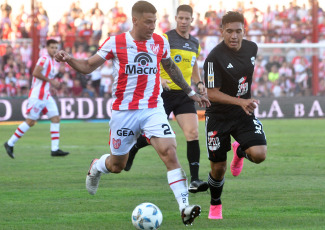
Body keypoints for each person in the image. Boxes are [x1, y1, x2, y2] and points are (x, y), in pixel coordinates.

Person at [54, 1, 210, 226]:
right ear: (134, 20)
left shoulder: (159, 41)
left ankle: (184, 207)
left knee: (169, 151)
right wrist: (69, 59)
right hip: (124, 112)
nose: (152, 26)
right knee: (117, 166)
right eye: (148, 22)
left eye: (154, 22)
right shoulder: (116, 42)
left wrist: (190, 91)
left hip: (152, 108)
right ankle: (97, 166)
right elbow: (88, 66)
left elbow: (171, 67)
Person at [124, 4, 208, 194]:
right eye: (181, 18)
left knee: (192, 133)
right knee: (153, 134)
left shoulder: (195, 43)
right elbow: (152, 60)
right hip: (163, 93)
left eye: (187, 19)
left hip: (185, 94)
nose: (184, 22)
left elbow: (194, 69)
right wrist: (160, 78)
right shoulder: (165, 38)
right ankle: (135, 148)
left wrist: (200, 84)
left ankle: (194, 180)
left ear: (192, 20)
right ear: (176, 19)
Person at [203, 11, 267, 220]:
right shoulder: (213, 58)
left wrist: (243, 100)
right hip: (218, 117)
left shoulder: (252, 48)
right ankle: (215, 204)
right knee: (218, 168)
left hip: (242, 113)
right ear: (221, 31)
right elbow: (211, 93)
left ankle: (240, 152)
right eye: (229, 31)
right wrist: (241, 100)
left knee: (259, 155)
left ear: (244, 31)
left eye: (238, 31)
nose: (234, 36)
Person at [4, 39, 69, 159]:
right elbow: (35, 73)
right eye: (52, 47)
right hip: (38, 95)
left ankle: (55, 149)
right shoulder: (44, 59)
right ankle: (9, 143)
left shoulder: (52, 61)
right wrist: (51, 81)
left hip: (46, 95)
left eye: (56, 48)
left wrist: (52, 84)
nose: (54, 50)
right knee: (30, 122)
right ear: (47, 48)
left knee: (55, 118)